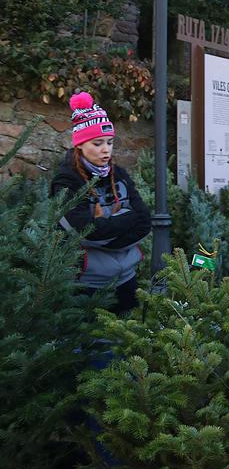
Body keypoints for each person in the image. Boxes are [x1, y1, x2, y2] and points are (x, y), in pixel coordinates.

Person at [51, 91, 151, 315]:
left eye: (110, 142)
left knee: (126, 344)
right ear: (80, 145)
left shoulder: (120, 174)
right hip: (87, 284)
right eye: (97, 143)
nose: (106, 149)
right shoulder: (66, 182)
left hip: (127, 279)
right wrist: (126, 218)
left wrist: (106, 227)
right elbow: (86, 232)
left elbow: (144, 222)